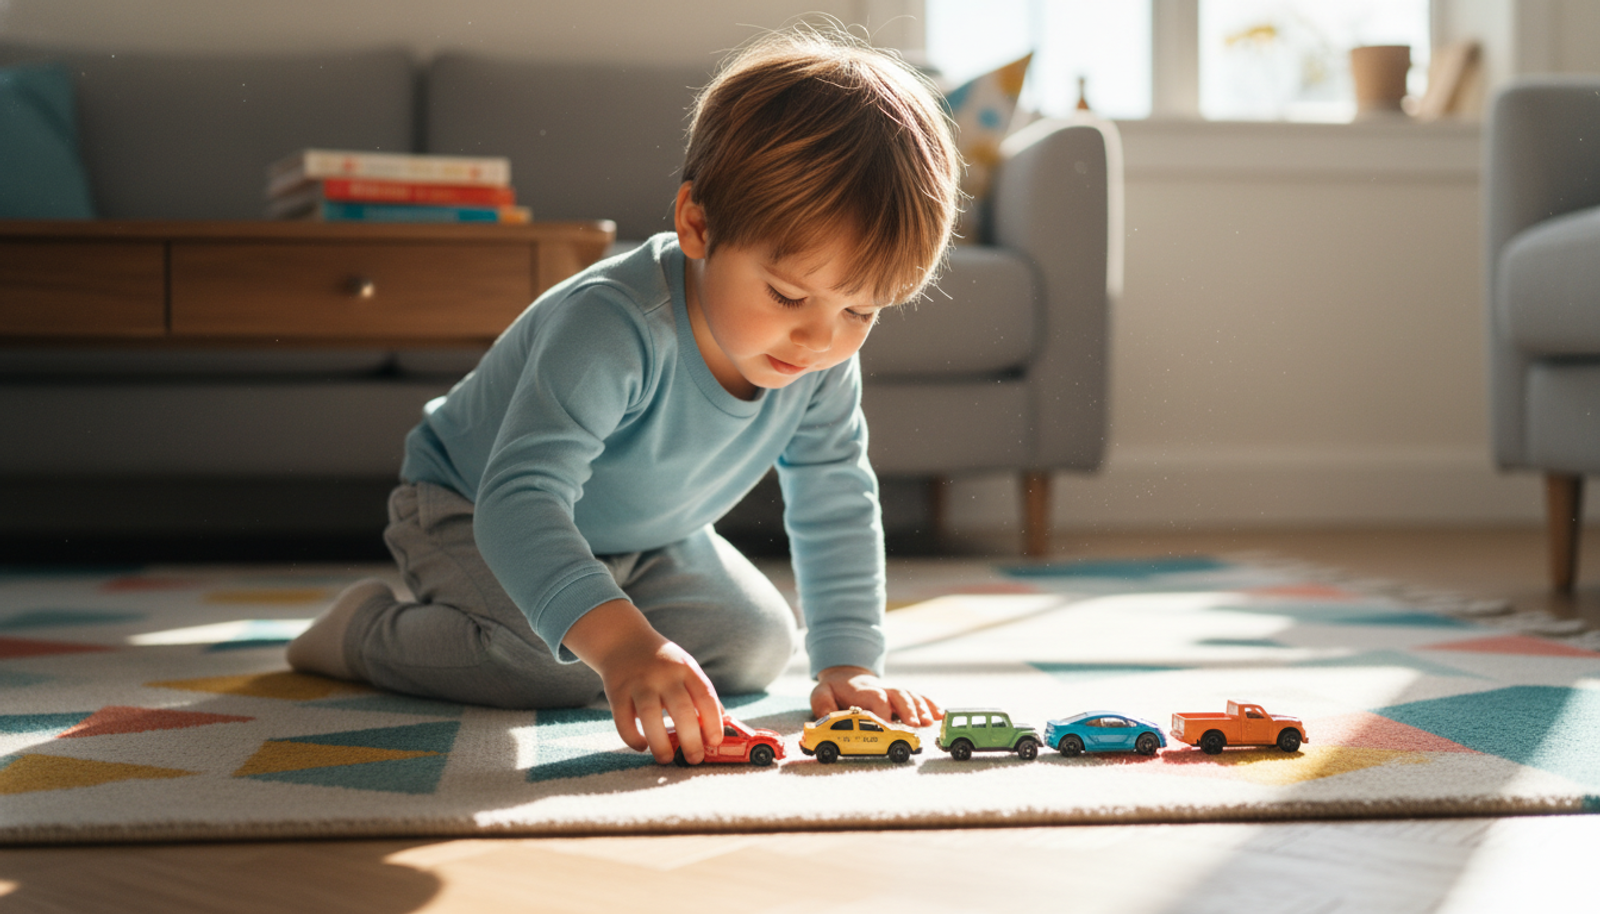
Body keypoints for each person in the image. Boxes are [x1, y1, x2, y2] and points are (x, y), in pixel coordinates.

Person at [287, 24, 963, 766]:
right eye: (786, 294)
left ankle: (604, 616)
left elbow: (835, 497)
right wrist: (622, 645)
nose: (818, 341)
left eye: (861, 311)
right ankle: (361, 632)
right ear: (697, 225)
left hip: (647, 535)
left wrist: (849, 663)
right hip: (469, 505)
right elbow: (521, 503)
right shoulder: (612, 324)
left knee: (757, 645)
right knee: (549, 661)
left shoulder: (821, 359)